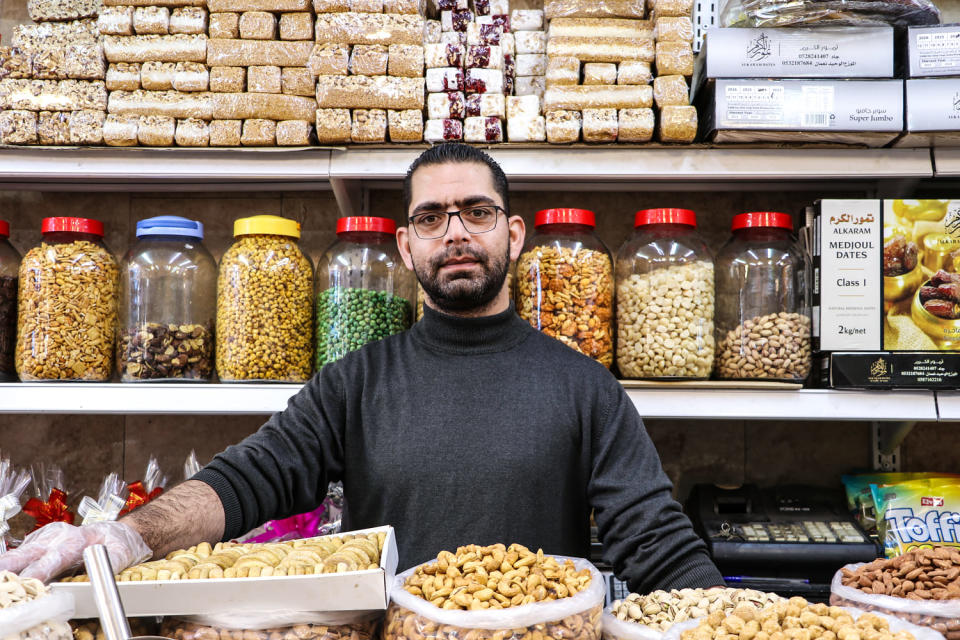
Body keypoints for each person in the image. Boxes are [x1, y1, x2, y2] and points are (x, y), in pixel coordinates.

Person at [0, 143, 723, 593]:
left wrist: (734, 615)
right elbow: (248, 479)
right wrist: (126, 535)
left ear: (513, 233)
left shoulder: (584, 386)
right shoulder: (357, 381)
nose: (457, 233)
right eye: (432, 218)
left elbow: (651, 534)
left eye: (476, 211)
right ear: (406, 249)